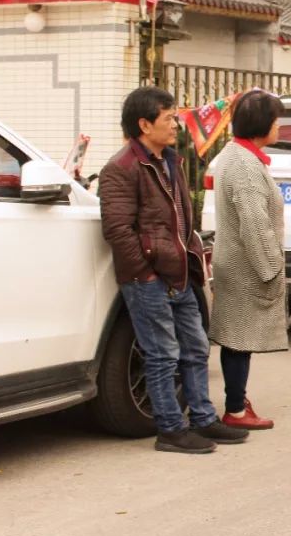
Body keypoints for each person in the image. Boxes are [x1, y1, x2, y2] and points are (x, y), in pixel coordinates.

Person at [99, 87, 248, 453]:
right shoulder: (119, 169)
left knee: (196, 348)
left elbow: (181, 220)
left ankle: (203, 419)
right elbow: (118, 231)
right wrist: (145, 273)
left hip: (180, 271)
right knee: (163, 354)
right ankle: (170, 429)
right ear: (144, 124)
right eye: (168, 119)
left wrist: (190, 255)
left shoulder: (171, 160)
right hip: (147, 279)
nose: (175, 125)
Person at [208, 90, 290, 430]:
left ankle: (237, 401)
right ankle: (236, 409)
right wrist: (271, 269)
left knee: (235, 338)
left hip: (234, 259)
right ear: (262, 124)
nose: (280, 126)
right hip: (246, 265)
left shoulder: (235, 155)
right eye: (276, 120)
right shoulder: (245, 165)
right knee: (239, 340)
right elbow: (254, 223)